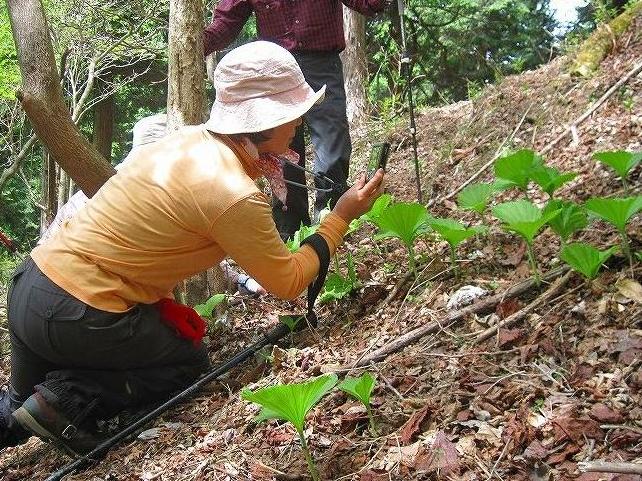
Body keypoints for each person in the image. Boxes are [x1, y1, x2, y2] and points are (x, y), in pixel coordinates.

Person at [1, 41, 384, 456]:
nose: (299, 122)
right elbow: (288, 281)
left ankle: (34, 407)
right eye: (293, 113)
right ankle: (64, 398)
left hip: (30, 286)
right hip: (81, 311)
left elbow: (141, 233)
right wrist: (340, 218)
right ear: (265, 122)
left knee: (14, 413)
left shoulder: (181, 142)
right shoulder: (232, 191)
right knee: (187, 363)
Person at [204, 0, 387, 240]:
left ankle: (334, 221)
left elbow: (368, 4)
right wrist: (195, 44)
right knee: (280, 153)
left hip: (321, 62)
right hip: (274, 72)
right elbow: (227, 21)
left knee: (334, 147)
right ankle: (290, 231)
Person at [39, 113, 266, 296]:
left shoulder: (122, 188)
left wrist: (241, 280)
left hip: (43, 286)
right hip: (82, 297)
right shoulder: (134, 199)